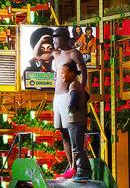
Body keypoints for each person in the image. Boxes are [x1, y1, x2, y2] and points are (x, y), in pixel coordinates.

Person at [51, 27, 87, 180]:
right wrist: (41, 40)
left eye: (56, 37)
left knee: (72, 133)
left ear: (64, 38)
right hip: (57, 96)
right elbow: (37, 54)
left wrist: (82, 89)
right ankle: (72, 166)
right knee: (62, 131)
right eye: (53, 37)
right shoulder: (56, 54)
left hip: (68, 94)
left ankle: (77, 168)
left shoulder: (73, 53)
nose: (54, 40)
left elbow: (83, 69)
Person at [61, 61, 92, 182]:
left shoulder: (73, 85)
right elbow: (87, 96)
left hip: (75, 120)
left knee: (76, 147)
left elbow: (73, 97)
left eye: (63, 72)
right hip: (80, 119)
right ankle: (86, 169)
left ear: (72, 73)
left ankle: (82, 171)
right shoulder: (78, 84)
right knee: (79, 146)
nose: (61, 75)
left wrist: (71, 108)